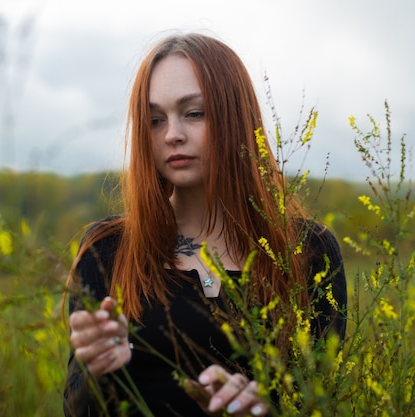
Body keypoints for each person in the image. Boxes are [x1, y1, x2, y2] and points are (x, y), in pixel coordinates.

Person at [63, 32, 347, 416]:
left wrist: (262, 410)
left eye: (194, 113)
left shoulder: (307, 250)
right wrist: (97, 370)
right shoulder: (107, 249)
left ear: (236, 116)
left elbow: (320, 403)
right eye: (155, 120)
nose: (172, 135)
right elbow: (75, 408)